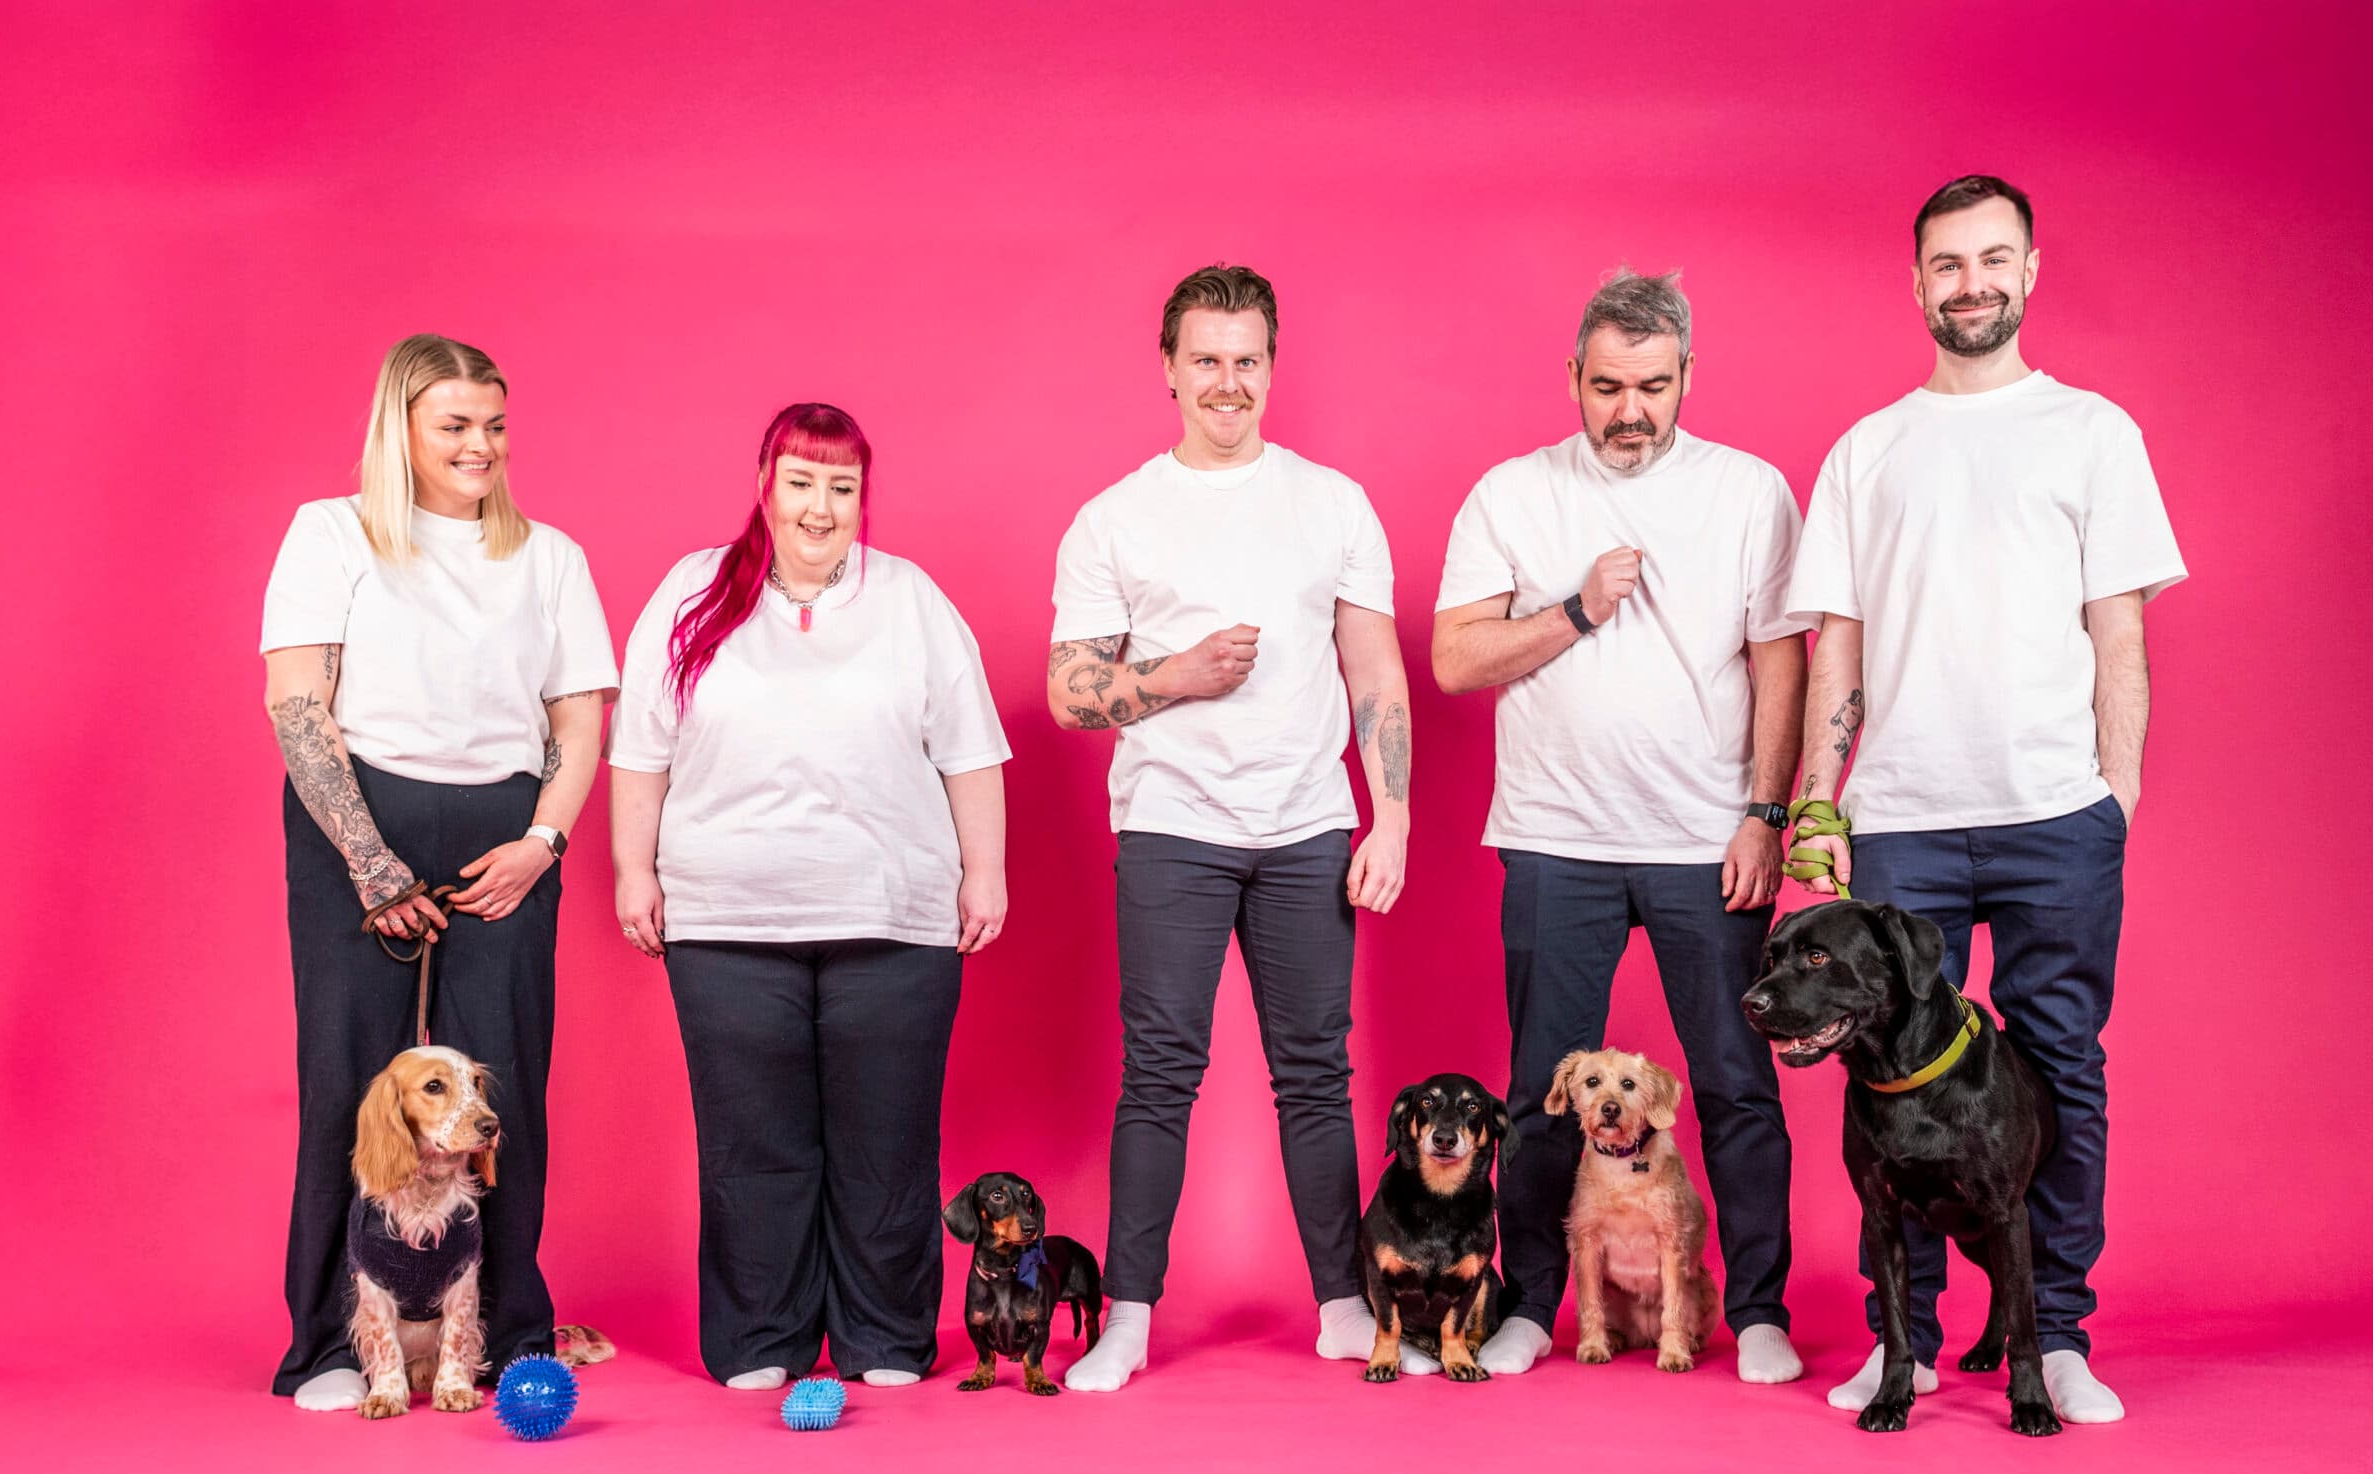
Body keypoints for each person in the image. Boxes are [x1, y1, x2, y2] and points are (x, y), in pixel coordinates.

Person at [1787, 175, 2185, 1424]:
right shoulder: (1866, 450)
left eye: (1992, 259)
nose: (1971, 283)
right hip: (1901, 814)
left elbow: (2115, 634)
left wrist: (2112, 799)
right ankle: (1894, 1346)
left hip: (2054, 813)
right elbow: (1833, 654)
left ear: (2029, 271)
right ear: (1915, 284)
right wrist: (1817, 807)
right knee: (1881, 1075)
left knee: (2060, 1060)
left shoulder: (2092, 433)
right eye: (1947, 264)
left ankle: (2052, 1333)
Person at [1431, 269, 1811, 1384]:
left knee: (1738, 1083)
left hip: (1707, 842)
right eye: (1607, 387)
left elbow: (1777, 658)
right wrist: (1576, 610)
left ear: (1687, 375)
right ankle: (1532, 1308)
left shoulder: (1748, 493)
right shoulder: (1513, 492)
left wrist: (1763, 814)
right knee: (1543, 1092)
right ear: (1574, 380)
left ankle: (1755, 1312)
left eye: (1652, 385)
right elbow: (1455, 658)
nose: (1629, 410)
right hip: (1557, 837)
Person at [1044, 263, 1413, 1391]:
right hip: (1172, 831)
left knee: (1314, 1073)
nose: (1227, 381)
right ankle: (1128, 1317)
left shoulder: (1332, 501)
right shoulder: (1115, 517)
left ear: (1270, 365)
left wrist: (1389, 816)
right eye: (1205, 359)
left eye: (1246, 359)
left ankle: (1344, 1305)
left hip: (1307, 827)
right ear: (1167, 370)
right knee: (1159, 1073)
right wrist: (1174, 676)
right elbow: (1068, 690)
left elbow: (1375, 671)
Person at [609, 403, 1009, 1391]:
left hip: (893, 917)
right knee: (754, 1148)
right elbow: (639, 752)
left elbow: (969, 751)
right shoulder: (690, 592)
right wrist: (634, 869)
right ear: (763, 484)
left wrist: (983, 870)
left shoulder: (909, 599)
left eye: (841, 487)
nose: (821, 507)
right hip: (727, 920)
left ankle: (884, 1338)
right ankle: (761, 1340)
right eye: (801, 483)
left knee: (888, 1147)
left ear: (860, 498)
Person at [260, 333, 617, 1410]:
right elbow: (296, 703)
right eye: (455, 425)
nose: (481, 446)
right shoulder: (331, 534)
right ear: (401, 428)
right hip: (357, 817)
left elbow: (577, 719)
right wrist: (372, 867)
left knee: (505, 1086)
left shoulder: (548, 555)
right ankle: (329, 1342)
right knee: (349, 1080)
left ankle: (510, 1327)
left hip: (503, 828)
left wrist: (542, 843)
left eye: (495, 425)